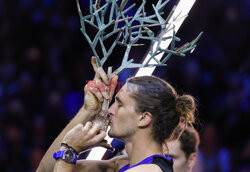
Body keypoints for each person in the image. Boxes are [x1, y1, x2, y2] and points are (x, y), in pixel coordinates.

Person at [37, 56, 196, 172]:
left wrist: (70, 151)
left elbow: (62, 161)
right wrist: (88, 111)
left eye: (119, 104)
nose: (110, 110)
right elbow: (45, 170)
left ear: (144, 118)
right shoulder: (121, 165)